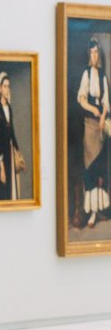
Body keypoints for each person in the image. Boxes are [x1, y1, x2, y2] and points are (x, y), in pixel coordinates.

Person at [77, 40, 110, 225]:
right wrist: (93, 110)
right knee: (89, 165)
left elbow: (106, 101)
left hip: (101, 126)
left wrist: (103, 116)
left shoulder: (103, 76)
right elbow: (81, 99)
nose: (95, 56)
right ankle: (91, 211)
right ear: (89, 55)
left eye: (97, 52)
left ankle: (98, 210)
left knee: (99, 167)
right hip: (89, 124)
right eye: (92, 53)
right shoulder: (86, 74)